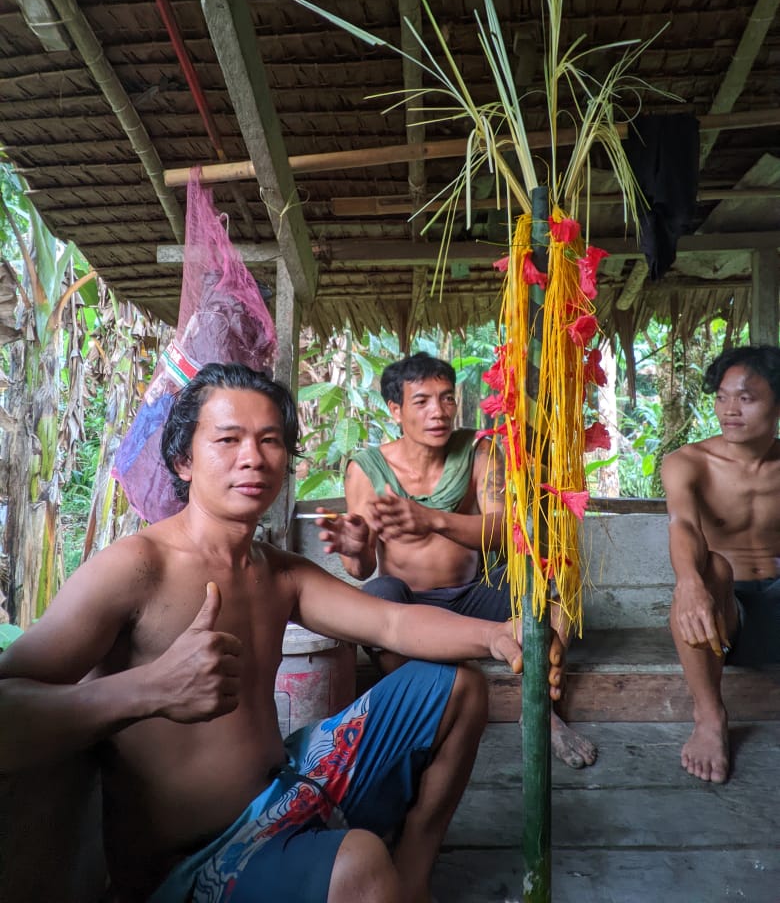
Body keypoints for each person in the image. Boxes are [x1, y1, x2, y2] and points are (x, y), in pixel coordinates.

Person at [0, 362, 564, 903]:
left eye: (270, 441)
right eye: (227, 440)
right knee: (358, 864)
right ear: (183, 460)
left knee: (456, 688)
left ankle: (412, 879)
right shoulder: (136, 567)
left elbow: (392, 620)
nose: (253, 458)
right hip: (194, 862)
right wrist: (149, 690)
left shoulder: (276, 570)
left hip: (286, 791)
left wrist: (498, 635)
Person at [318, 352, 597, 770]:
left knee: (554, 605)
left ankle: (540, 711)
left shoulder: (478, 450)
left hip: (470, 595)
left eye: (447, 399)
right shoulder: (367, 469)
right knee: (376, 594)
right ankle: (427, 705)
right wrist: (354, 547)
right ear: (395, 410)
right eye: (422, 401)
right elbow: (361, 571)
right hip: (407, 605)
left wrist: (431, 519)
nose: (439, 412)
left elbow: (505, 531)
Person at [661, 344, 780, 784]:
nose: (729, 410)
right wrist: (689, 583)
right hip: (726, 616)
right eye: (722, 397)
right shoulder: (688, 463)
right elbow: (683, 524)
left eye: (746, 398)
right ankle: (710, 717)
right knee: (711, 568)